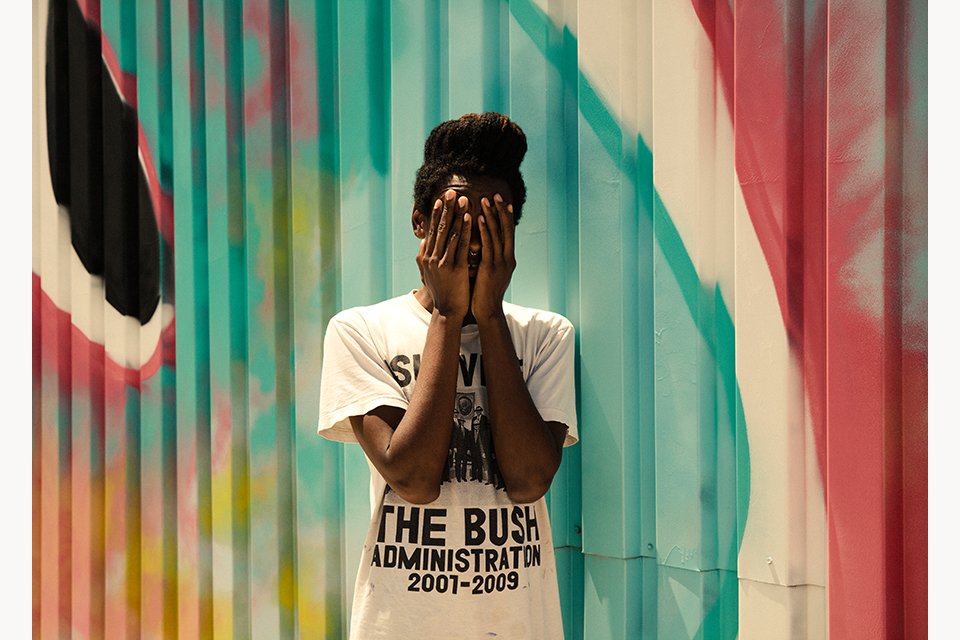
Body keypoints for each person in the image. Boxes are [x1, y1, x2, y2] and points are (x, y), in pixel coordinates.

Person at [318, 112, 578, 639]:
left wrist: (488, 315)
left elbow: (529, 482)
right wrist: (446, 315)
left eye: (491, 221)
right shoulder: (360, 331)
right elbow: (412, 480)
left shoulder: (546, 335)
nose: (474, 240)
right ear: (420, 222)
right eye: (457, 220)